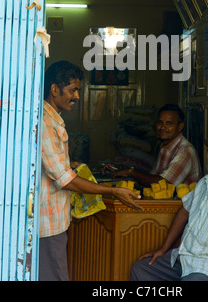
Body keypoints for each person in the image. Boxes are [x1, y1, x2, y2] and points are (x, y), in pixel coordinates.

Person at [39, 60, 142, 281]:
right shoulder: (45, 123)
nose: (77, 96)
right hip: (47, 224)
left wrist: (69, 165)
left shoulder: (53, 120)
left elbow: (54, 168)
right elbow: (65, 181)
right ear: (54, 89)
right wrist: (112, 191)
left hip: (53, 220)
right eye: (72, 90)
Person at [130, 130, 208, 282]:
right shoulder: (204, 182)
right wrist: (164, 248)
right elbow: (184, 212)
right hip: (185, 259)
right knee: (141, 269)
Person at [103, 104, 202, 187]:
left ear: (180, 126)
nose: (162, 127)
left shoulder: (185, 151)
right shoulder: (165, 147)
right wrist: (122, 170)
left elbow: (163, 183)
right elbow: (152, 178)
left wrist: (131, 172)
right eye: (160, 122)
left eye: (169, 123)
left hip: (184, 208)